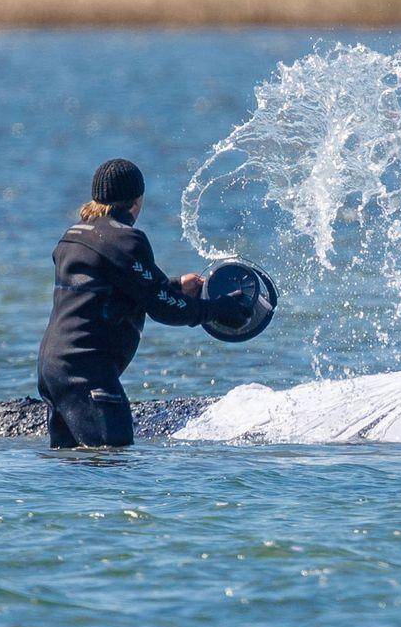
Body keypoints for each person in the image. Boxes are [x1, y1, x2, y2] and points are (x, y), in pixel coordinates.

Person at [37, 158, 251, 448]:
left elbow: (113, 288)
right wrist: (215, 309)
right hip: (86, 372)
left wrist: (174, 285)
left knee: (72, 469)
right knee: (114, 458)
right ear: (137, 199)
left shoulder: (73, 237)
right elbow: (163, 307)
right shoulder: (126, 240)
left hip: (52, 367)